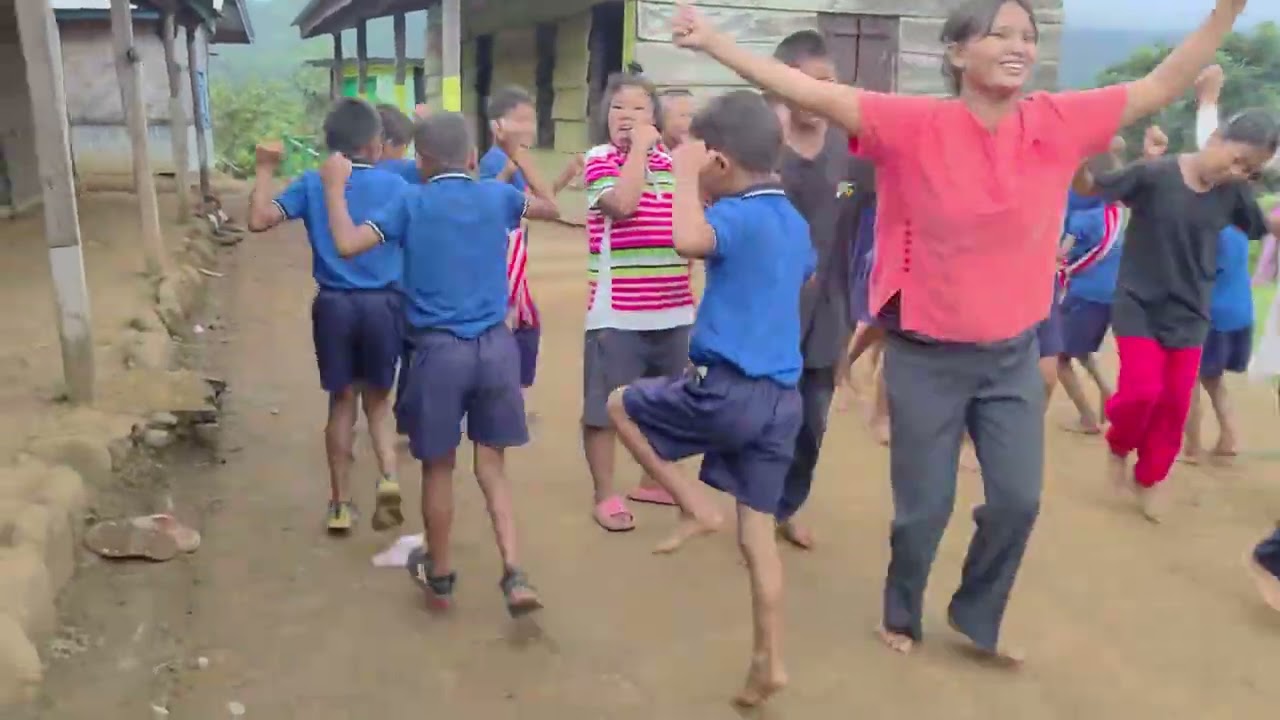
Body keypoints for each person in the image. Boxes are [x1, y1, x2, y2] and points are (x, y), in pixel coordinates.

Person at [674, 0, 1253, 661]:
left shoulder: (1058, 121)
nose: (1019, 46)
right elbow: (808, 89)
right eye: (999, 33)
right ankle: (902, 607)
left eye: (1027, 36)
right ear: (956, 54)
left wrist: (1225, 12)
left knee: (1017, 500)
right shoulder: (913, 124)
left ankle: (977, 614)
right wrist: (716, 42)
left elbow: (1161, 84)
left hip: (1010, 355)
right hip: (925, 356)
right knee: (923, 508)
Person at [605, 89, 813, 708]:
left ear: (719, 162)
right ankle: (768, 661)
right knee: (757, 539)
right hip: (783, 401)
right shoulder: (792, 221)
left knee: (619, 403)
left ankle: (692, 503)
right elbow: (801, 272)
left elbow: (686, 242)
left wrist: (685, 178)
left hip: (728, 389)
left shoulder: (736, 215)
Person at [318, 112, 560, 615]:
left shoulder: (410, 201)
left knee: (439, 468)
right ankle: (515, 574)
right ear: (473, 157)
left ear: (420, 161)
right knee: (492, 467)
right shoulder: (497, 197)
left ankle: (442, 575)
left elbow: (346, 244)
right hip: (496, 349)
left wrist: (336, 190)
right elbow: (550, 205)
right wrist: (516, 153)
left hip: (437, 353)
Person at [1076, 106, 1278, 521]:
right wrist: (1077, 153)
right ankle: (1118, 444)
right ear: (1215, 138)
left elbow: (1262, 227)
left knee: (1173, 406)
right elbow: (1093, 187)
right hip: (1139, 303)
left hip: (1190, 312)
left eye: (1251, 170)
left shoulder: (1234, 193)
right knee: (1141, 392)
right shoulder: (1156, 174)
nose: (1239, 172)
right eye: (1238, 158)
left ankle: (1149, 479)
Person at [246, 98, 407, 534]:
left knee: (341, 402)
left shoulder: (313, 183)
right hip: (383, 305)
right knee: (378, 402)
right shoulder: (397, 187)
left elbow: (259, 220)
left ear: (329, 144)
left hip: (334, 304)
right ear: (376, 145)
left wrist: (264, 168)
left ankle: (339, 504)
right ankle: (389, 476)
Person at [582, 70, 697, 530]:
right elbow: (624, 204)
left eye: (637, 109)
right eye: (617, 108)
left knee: (668, 402)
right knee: (602, 409)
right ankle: (606, 494)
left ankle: (653, 482)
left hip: (673, 307)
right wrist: (642, 152)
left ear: (655, 117)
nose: (626, 117)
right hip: (618, 311)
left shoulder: (676, 163)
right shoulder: (598, 160)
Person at [767, 30, 867, 550]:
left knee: (812, 421)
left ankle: (786, 505)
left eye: (827, 83)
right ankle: (755, 508)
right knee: (761, 413)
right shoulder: (759, 147)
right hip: (765, 310)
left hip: (827, 310)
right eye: (807, 82)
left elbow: (866, 200)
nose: (818, 94)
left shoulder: (850, 152)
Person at [478, 86, 583, 405]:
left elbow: (539, 202)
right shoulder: (494, 160)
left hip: (514, 254)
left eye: (531, 120)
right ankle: (502, 394)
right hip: (500, 254)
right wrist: (513, 165)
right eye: (519, 120)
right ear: (497, 127)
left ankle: (507, 392)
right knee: (515, 323)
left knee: (522, 323)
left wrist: (566, 174)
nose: (528, 127)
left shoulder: (516, 161)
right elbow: (487, 199)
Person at [1055, 180, 1126, 435]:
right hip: (1109, 295)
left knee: (1058, 357)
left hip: (1084, 295)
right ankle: (1108, 396)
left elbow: (1060, 253)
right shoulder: (1115, 215)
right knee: (1080, 350)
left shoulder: (1082, 220)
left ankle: (1087, 418)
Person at [1184, 224, 1253, 463]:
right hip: (1240, 310)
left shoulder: (1208, 231)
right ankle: (1228, 438)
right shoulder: (1239, 230)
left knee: (1188, 378)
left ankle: (1193, 447)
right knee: (1212, 379)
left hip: (1212, 314)